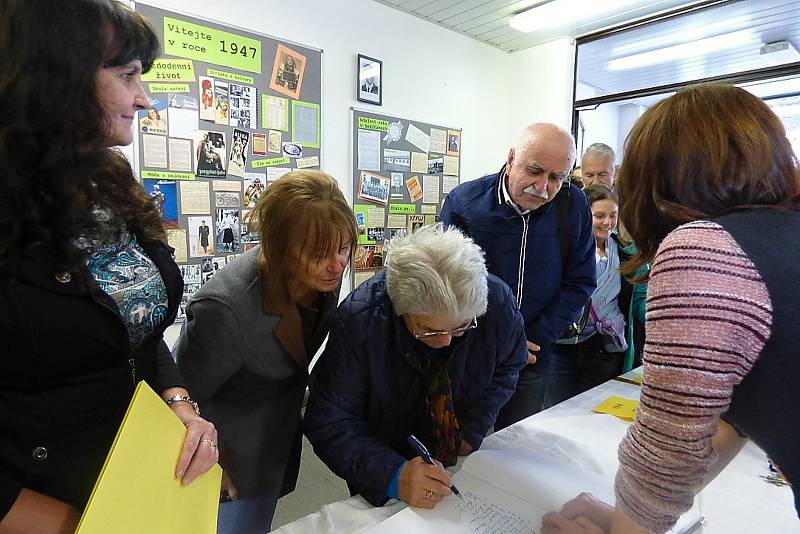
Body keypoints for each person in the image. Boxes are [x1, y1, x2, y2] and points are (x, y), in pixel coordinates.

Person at [541, 83, 800, 534]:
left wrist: (629, 528)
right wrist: (633, 519)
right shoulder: (781, 236)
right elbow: (731, 420)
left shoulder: (704, 249)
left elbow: (669, 444)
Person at [0, 2, 218, 532]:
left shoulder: (110, 183)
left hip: (129, 481)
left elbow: (135, 333)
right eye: (125, 76)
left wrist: (180, 405)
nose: (142, 99)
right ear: (56, 80)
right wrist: (79, 523)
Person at [174, 170, 357, 534]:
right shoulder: (225, 309)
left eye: (344, 247)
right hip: (225, 463)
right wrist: (215, 460)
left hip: (271, 446)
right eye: (321, 253)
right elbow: (182, 399)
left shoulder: (321, 279)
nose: (337, 264)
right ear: (280, 246)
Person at [304, 225, 528, 509]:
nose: (446, 341)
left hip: (456, 451)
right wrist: (393, 475)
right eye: (429, 331)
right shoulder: (361, 321)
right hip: (380, 452)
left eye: (460, 328)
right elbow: (329, 421)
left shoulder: (496, 304)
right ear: (401, 308)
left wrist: (473, 427)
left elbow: (510, 365)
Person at [440, 123, 596, 429]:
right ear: (512, 159)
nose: (542, 187)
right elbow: (447, 284)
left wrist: (533, 337)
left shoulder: (573, 205)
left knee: (516, 440)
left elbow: (581, 281)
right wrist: (498, 341)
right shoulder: (465, 203)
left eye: (556, 177)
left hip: (534, 353)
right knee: (458, 439)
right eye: (534, 171)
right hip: (472, 351)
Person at [544, 185, 645, 408]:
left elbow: (636, 298)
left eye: (613, 216)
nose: (607, 222)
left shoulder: (624, 252)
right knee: (558, 411)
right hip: (563, 344)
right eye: (599, 216)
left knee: (596, 411)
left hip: (605, 346)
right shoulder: (565, 250)